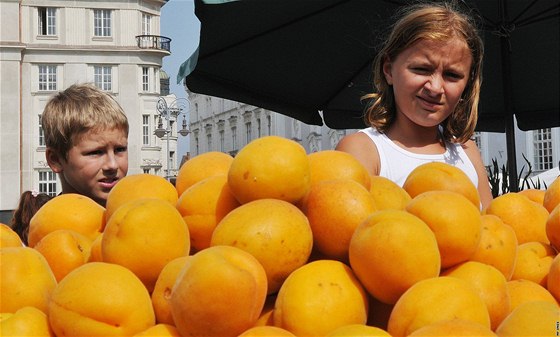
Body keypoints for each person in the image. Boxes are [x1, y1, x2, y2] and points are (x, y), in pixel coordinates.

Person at [336, 1, 493, 209]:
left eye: (452, 75)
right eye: (421, 69)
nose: (435, 87)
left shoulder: (466, 149)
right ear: (389, 70)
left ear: (467, 85)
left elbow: (492, 228)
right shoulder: (364, 150)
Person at [42, 83, 129, 207]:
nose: (112, 165)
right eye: (96, 152)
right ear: (55, 160)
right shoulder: (44, 225)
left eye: (120, 149)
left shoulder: (145, 219)